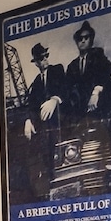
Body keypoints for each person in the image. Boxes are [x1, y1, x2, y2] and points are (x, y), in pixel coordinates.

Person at [22, 42, 65, 198]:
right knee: (47, 161)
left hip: (62, 124)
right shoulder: (36, 82)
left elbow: (66, 87)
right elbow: (31, 104)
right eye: (41, 58)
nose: (45, 60)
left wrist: (55, 99)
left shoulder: (57, 70)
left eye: (46, 56)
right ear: (36, 62)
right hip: (45, 130)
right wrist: (28, 120)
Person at [64, 20, 111, 123]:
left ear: (91, 40)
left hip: (99, 105)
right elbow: (68, 87)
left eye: (86, 37)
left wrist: (96, 92)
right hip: (80, 110)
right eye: (80, 38)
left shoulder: (98, 55)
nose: (83, 41)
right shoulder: (72, 66)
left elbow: (107, 69)